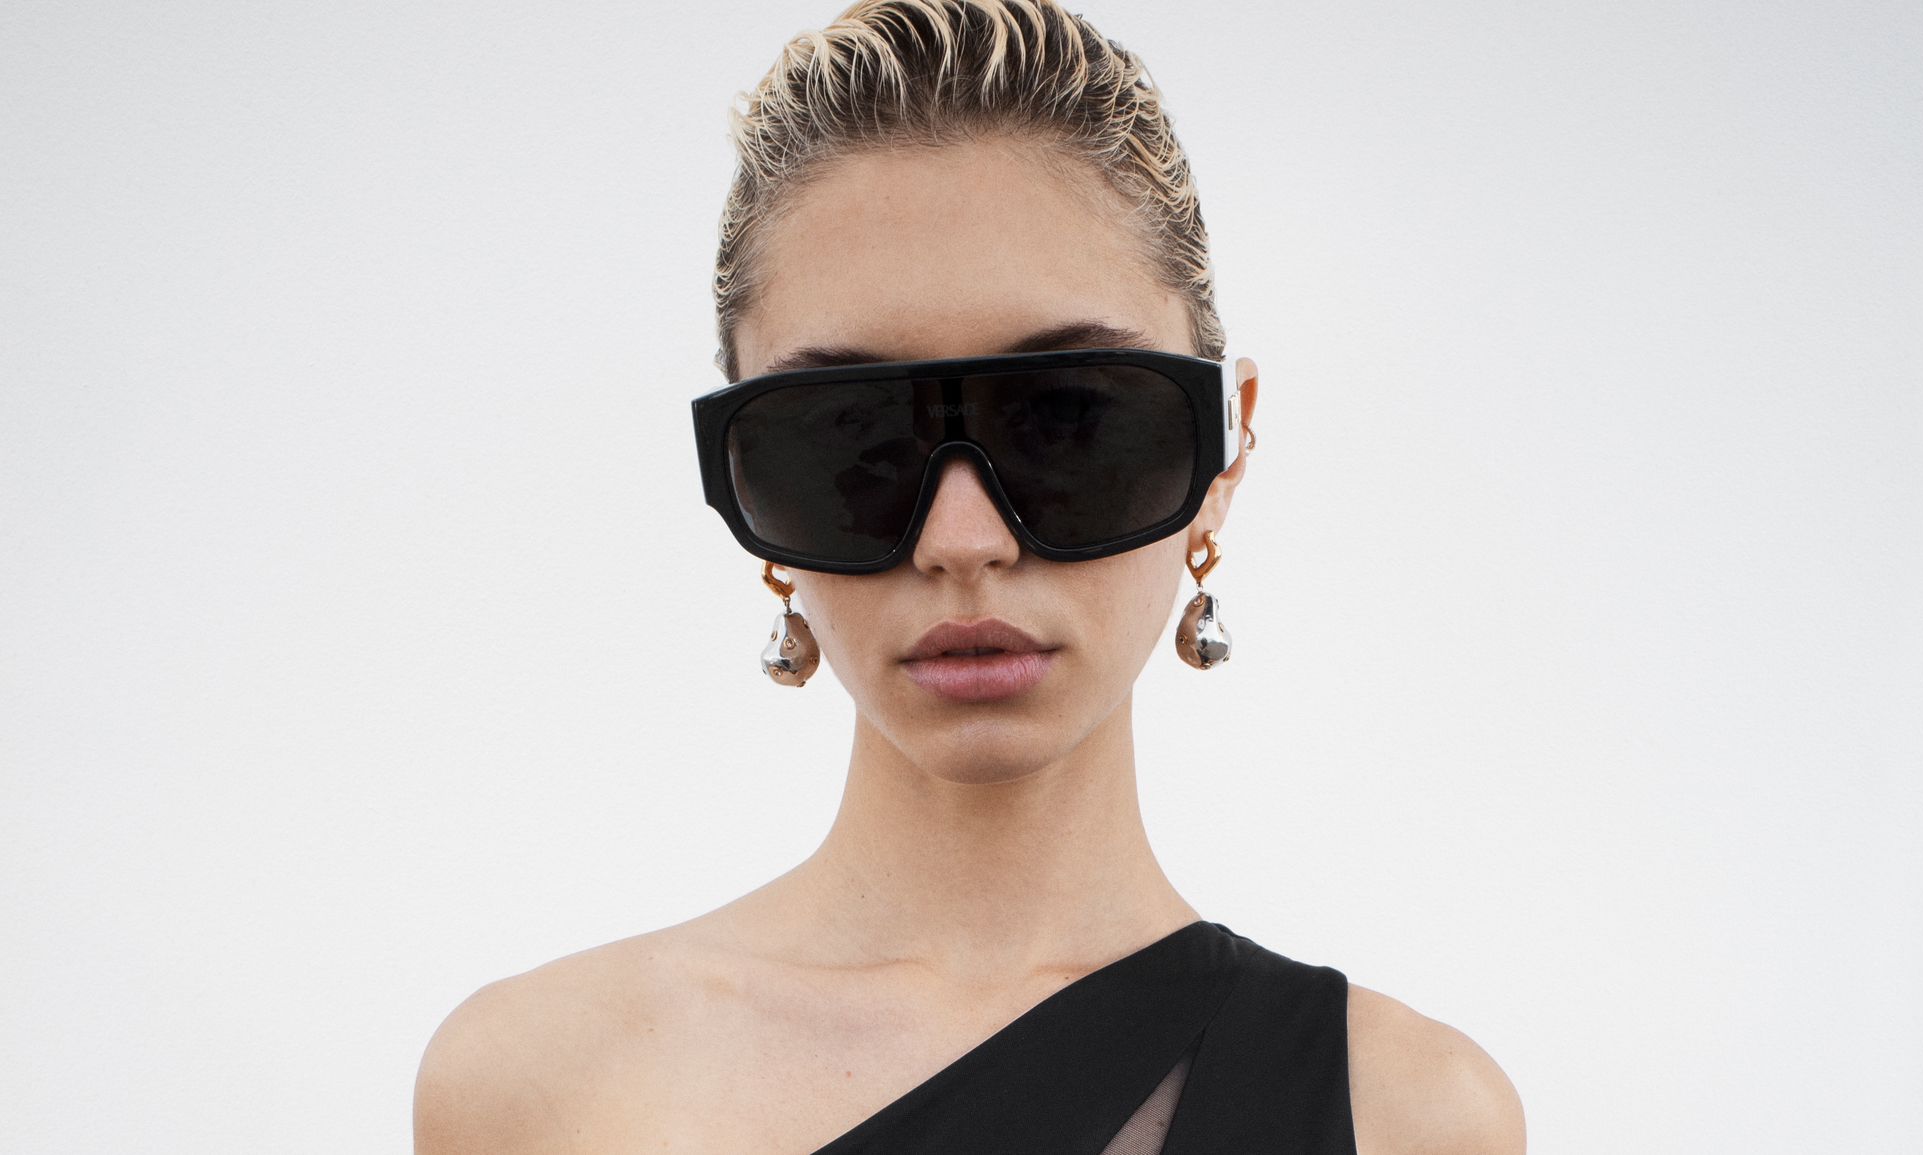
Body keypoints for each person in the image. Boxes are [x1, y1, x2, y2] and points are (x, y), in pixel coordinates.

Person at [414, 2, 1523, 1151]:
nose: (961, 537)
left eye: (1070, 418)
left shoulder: (1414, 1117)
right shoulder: (539, 1088)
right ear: (749, 483)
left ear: (1224, 451)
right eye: (849, 437)